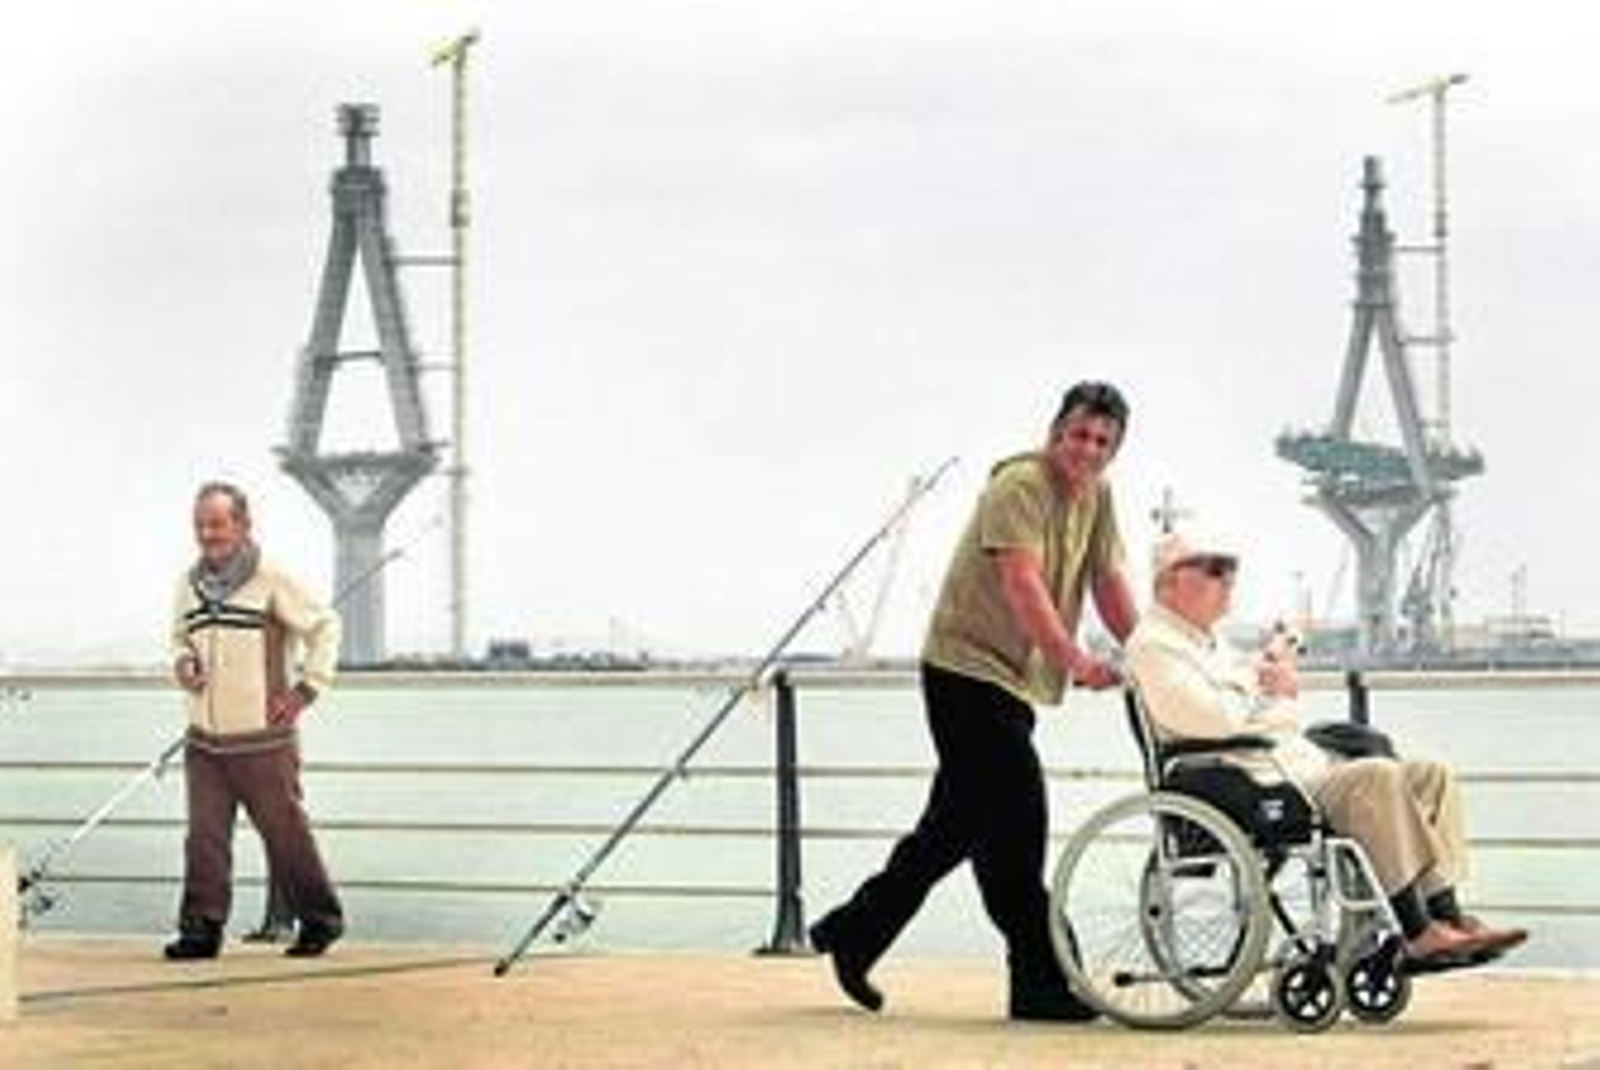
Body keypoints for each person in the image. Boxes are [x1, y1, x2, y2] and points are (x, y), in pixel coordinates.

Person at [810, 381, 1139, 1021]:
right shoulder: (1019, 486)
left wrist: (1153, 649)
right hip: (964, 671)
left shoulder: (1098, 496)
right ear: (1054, 433)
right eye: (1078, 435)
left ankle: (854, 931)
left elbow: (1106, 579)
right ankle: (1042, 979)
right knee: (1020, 816)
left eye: (1103, 441)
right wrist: (1076, 660)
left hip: (1014, 683)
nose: (1088, 450)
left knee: (957, 830)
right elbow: (1022, 583)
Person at [1125, 529, 1529, 971]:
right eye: (1215, 569)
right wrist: (1259, 678)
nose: (1229, 580)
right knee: (1378, 776)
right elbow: (1215, 721)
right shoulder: (1154, 646)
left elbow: (1271, 715)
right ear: (1169, 581)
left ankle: (1448, 917)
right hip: (1254, 781)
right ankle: (1417, 930)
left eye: (1232, 570)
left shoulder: (1212, 644)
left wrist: (1279, 688)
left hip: (1294, 765)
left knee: (1431, 775)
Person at [164, 481, 346, 960]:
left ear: (243, 525)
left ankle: (321, 921)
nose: (208, 533)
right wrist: (183, 661)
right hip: (205, 742)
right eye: (201, 524)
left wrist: (307, 688)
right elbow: (179, 637)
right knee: (203, 839)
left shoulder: (271, 577)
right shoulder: (187, 583)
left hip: (263, 741)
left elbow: (326, 626)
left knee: (286, 834)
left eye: (218, 523)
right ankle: (200, 931)